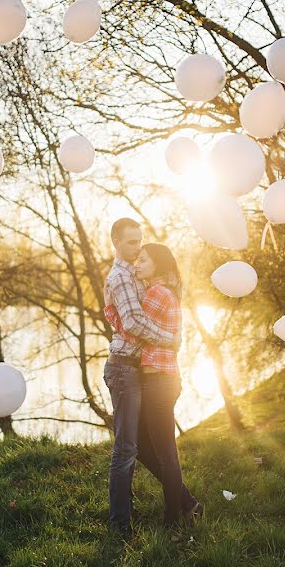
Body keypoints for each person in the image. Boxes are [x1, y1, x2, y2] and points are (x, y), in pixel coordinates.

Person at [101, 217, 201, 535]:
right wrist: (170, 339)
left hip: (148, 374)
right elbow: (133, 322)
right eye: (132, 243)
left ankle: (180, 507)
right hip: (127, 369)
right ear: (116, 242)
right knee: (130, 447)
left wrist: (114, 315)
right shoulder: (121, 276)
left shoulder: (143, 279)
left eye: (141, 243)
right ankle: (122, 524)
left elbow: (141, 317)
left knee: (145, 445)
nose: (137, 248)